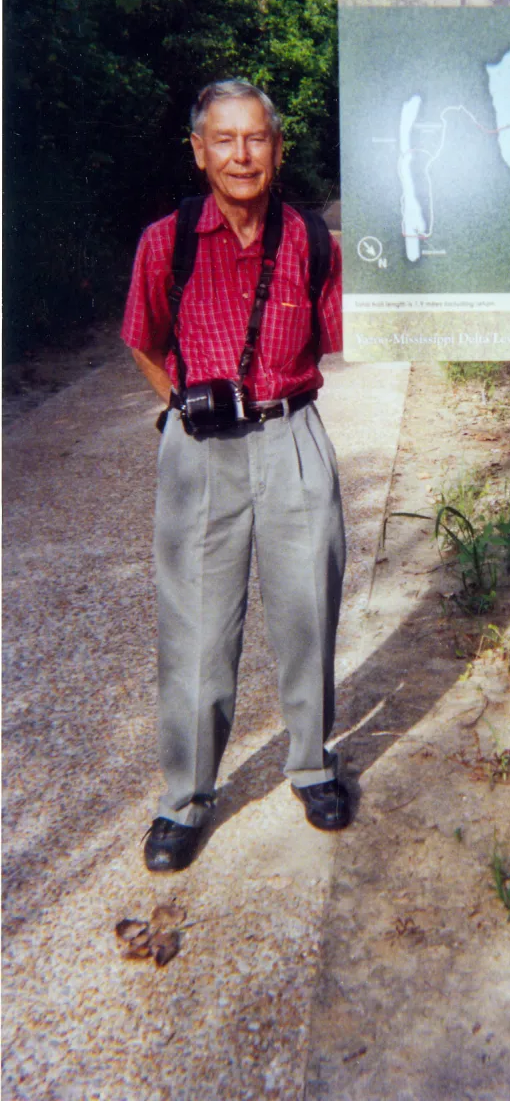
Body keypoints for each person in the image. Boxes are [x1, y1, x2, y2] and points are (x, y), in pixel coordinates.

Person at [121, 79, 349, 872]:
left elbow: (334, 338)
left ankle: (313, 764)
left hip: (292, 438)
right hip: (201, 451)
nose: (241, 155)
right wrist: (184, 406)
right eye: (224, 140)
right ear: (198, 151)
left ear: (277, 149)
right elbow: (143, 338)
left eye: (256, 138)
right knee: (195, 628)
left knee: (308, 611)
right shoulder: (166, 240)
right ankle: (183, 801)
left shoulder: (314, 241)